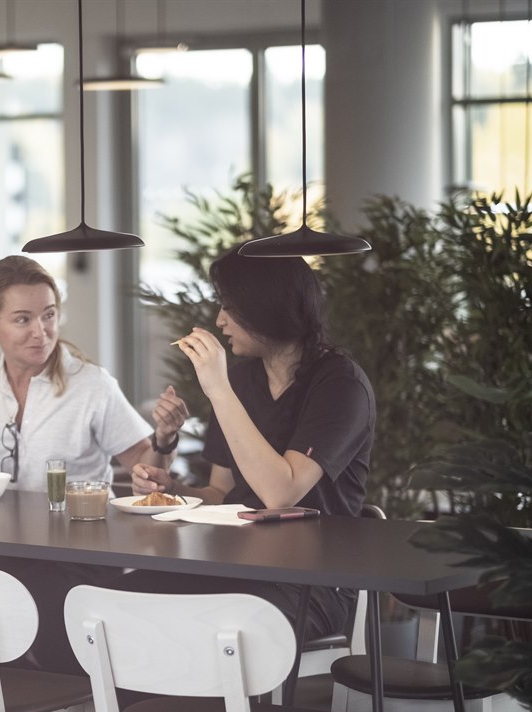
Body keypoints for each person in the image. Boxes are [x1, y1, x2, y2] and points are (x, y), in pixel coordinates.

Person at [0, 254, 184, 669]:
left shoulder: (92, 385)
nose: (41, 332)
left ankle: (54, 708)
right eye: (22, 319)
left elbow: (147, 465)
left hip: (79, 559)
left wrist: (164, 439)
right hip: (7, 552)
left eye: (49, 315)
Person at [121, 246, 376, 642]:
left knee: (199, 621)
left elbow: (280, 493)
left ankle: (210, 705)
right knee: (126, 598)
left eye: (230, 307)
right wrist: (174, 490)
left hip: (311, 581)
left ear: (267, 307)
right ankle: (147, 706)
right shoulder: (242, 380)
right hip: (237, 566)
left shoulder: (340, 384)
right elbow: (221, 493)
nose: (220, 320)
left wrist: (217, 388)